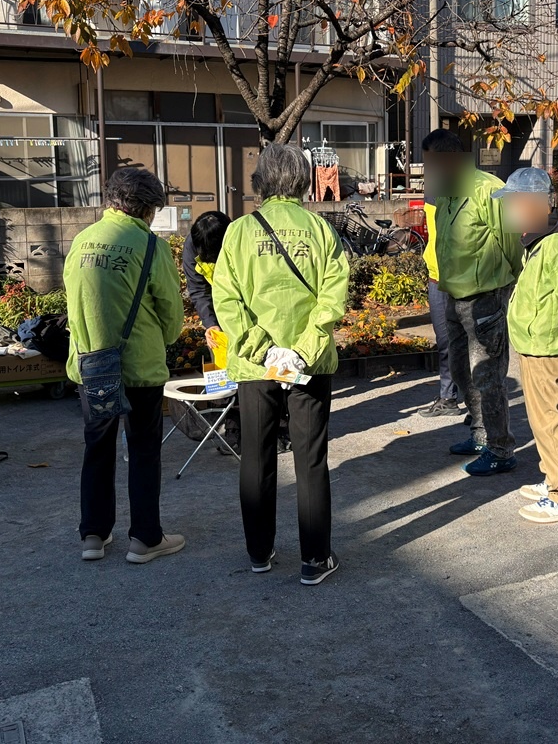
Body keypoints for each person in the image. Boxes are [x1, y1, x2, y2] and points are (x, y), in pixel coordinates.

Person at [213, 143, 350, 586]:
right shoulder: (319, 228)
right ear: (304, 181)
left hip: (257, 366)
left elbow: (226, 299)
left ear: (259, 182)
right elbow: (333, 296)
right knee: (310, 459)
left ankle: (259, 551)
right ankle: (315, 558)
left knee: (255, 454)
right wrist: (302, 349)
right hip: (308, 364)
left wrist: (261, 348)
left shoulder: (237, 232)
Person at [65, 167, 186, 564]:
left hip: (92, 364)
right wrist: (165, 338)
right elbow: (170, 314)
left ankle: (93, 535)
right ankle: (145, 538)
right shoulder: (150, 247)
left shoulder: (81, 241)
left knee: (97, 447)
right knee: (144, 449)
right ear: (148, 210)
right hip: (139, 367)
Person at [494, 167, 558, 523]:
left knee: (551, 419)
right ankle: (554, 479)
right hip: (534, 342)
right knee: (540, 419)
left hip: (547, 346)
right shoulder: (539, 240)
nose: (508, 209)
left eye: (512, 202)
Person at [423, 129, 523, 476]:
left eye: (431, 164)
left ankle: (500, 448)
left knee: (488, 374)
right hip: (452, 294)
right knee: (463, 371)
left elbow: (511, 240)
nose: (427, 171)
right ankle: (480, 434)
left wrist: (507, 282)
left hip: (485, 296)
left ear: (450, 159)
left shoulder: (488, 189)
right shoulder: (446, 193)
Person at [181, 210, 249, 455]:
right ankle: (233, 432)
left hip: (251, 312)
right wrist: (211, 323)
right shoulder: (193, 246)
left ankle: (278, 429)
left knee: (263, 373)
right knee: (222, 376)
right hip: (218, 316)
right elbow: (197, 290)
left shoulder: (244, 240)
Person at [416, 193, 463, 418]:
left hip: (469, 278)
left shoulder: (479, 189)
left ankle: (481, 407)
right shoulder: (432, 195)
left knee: (476, 344)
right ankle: (448, 397)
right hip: (437, 278)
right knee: (445, 341)